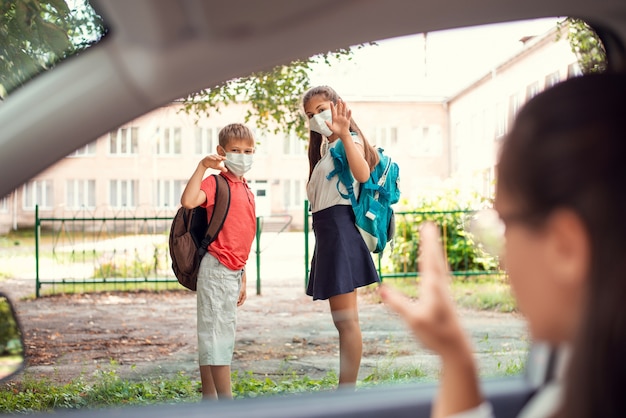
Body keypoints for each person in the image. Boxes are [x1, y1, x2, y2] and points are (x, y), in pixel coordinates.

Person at [379, 72, 626, 418]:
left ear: (565, 246)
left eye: (506, 225)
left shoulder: (572, 404)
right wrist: (455, 354)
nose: (504, 261)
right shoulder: (587, 388)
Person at [302, 85, 381, 387]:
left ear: (338, 106)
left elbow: (362, 174)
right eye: (310, 114)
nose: (316, 118)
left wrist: (346, 134)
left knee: (347, 321)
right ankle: (345, 390)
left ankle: (345, 392)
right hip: (329, 233)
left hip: (340, 231)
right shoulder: (323, 151)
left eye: (321, 109)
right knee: (343, 321)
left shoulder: (350, 141)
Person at [180, 123, 256, 400]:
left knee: (213, 336)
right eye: (236, 150)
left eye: (249, 151)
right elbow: (188, 201)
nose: (243, 156)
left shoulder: (245, 187)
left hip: (232, 271)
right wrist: (203, 166)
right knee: (218, 337)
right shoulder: (216, 183)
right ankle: (226, 403)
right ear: (221, 152)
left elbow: (241, 234)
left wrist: (243, 275)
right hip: (216, 270)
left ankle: (210, 401)